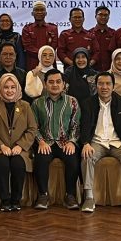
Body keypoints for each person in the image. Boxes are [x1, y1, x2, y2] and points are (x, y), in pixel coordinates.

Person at [78, 72, 121, 213]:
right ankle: (89, 197)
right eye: (101, 84)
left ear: (113, 86)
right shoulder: (88, 104)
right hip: (97, 142)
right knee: (87, 155)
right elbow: (85, 126)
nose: (104, 87)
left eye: (108, 84)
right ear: (96, 86)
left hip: (116, 142)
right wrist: (86, 143)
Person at [0, 73, 37, 212]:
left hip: (21, 149)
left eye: (13, 87)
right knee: (2, 163)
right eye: (6, 87)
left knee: (18, 163)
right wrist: (1, 146)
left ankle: (16, 200)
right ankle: (5, 200)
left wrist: (21, 145)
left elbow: (32, 129)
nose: (9, 90)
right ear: (0, 89)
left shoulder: (25, 106)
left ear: (17, 88)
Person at [30, 69, 81, 210]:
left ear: (64, 84)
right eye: (51, 82)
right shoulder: (36, 103)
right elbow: (33, 127)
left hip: (65, 142)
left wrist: (72, 142)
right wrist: (40, 141)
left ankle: (70, 195)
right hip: (45, 141)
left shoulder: (72, 102)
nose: (55, 85)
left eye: (58, 82)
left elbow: (76, 125)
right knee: (41, 159)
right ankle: (43, 195)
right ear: (45, 84)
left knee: (72, 159)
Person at [90, 6, 116, 72]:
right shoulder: (89, 33)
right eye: (100, 15)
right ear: (95, 16)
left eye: (106, 15)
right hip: (92, 71)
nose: (103, 17)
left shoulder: (114, 33)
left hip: (110, 71)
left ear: (109, 17)